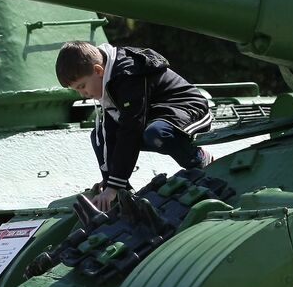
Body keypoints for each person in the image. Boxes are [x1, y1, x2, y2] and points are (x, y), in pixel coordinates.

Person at [56, 39, 214, 212]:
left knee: (156, 134)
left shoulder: (128, 74)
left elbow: (131, 130)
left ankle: (197, 159)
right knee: (99, 136)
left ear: (98, 70)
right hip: (153, 113)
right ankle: (123, 194)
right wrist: (110, 182)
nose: (83, 94)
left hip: (185, 108)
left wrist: (113, 185)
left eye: (82, 86)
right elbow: (109, 131)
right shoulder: (106, 78)